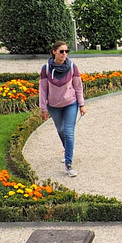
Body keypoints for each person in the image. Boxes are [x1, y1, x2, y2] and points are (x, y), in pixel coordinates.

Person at [38, 41, 86, 178]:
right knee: (61, 130)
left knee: (69, 132)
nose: (64, 54)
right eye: (61, 51)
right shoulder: (46, 69)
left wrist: (81, 104)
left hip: (71, 103)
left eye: (66, 51)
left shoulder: (72, 67)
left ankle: (68, 164)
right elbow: (42, 90)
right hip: (53, 106)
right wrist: (43, 109)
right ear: (54, 52)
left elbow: (78, 86)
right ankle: (67, 152)